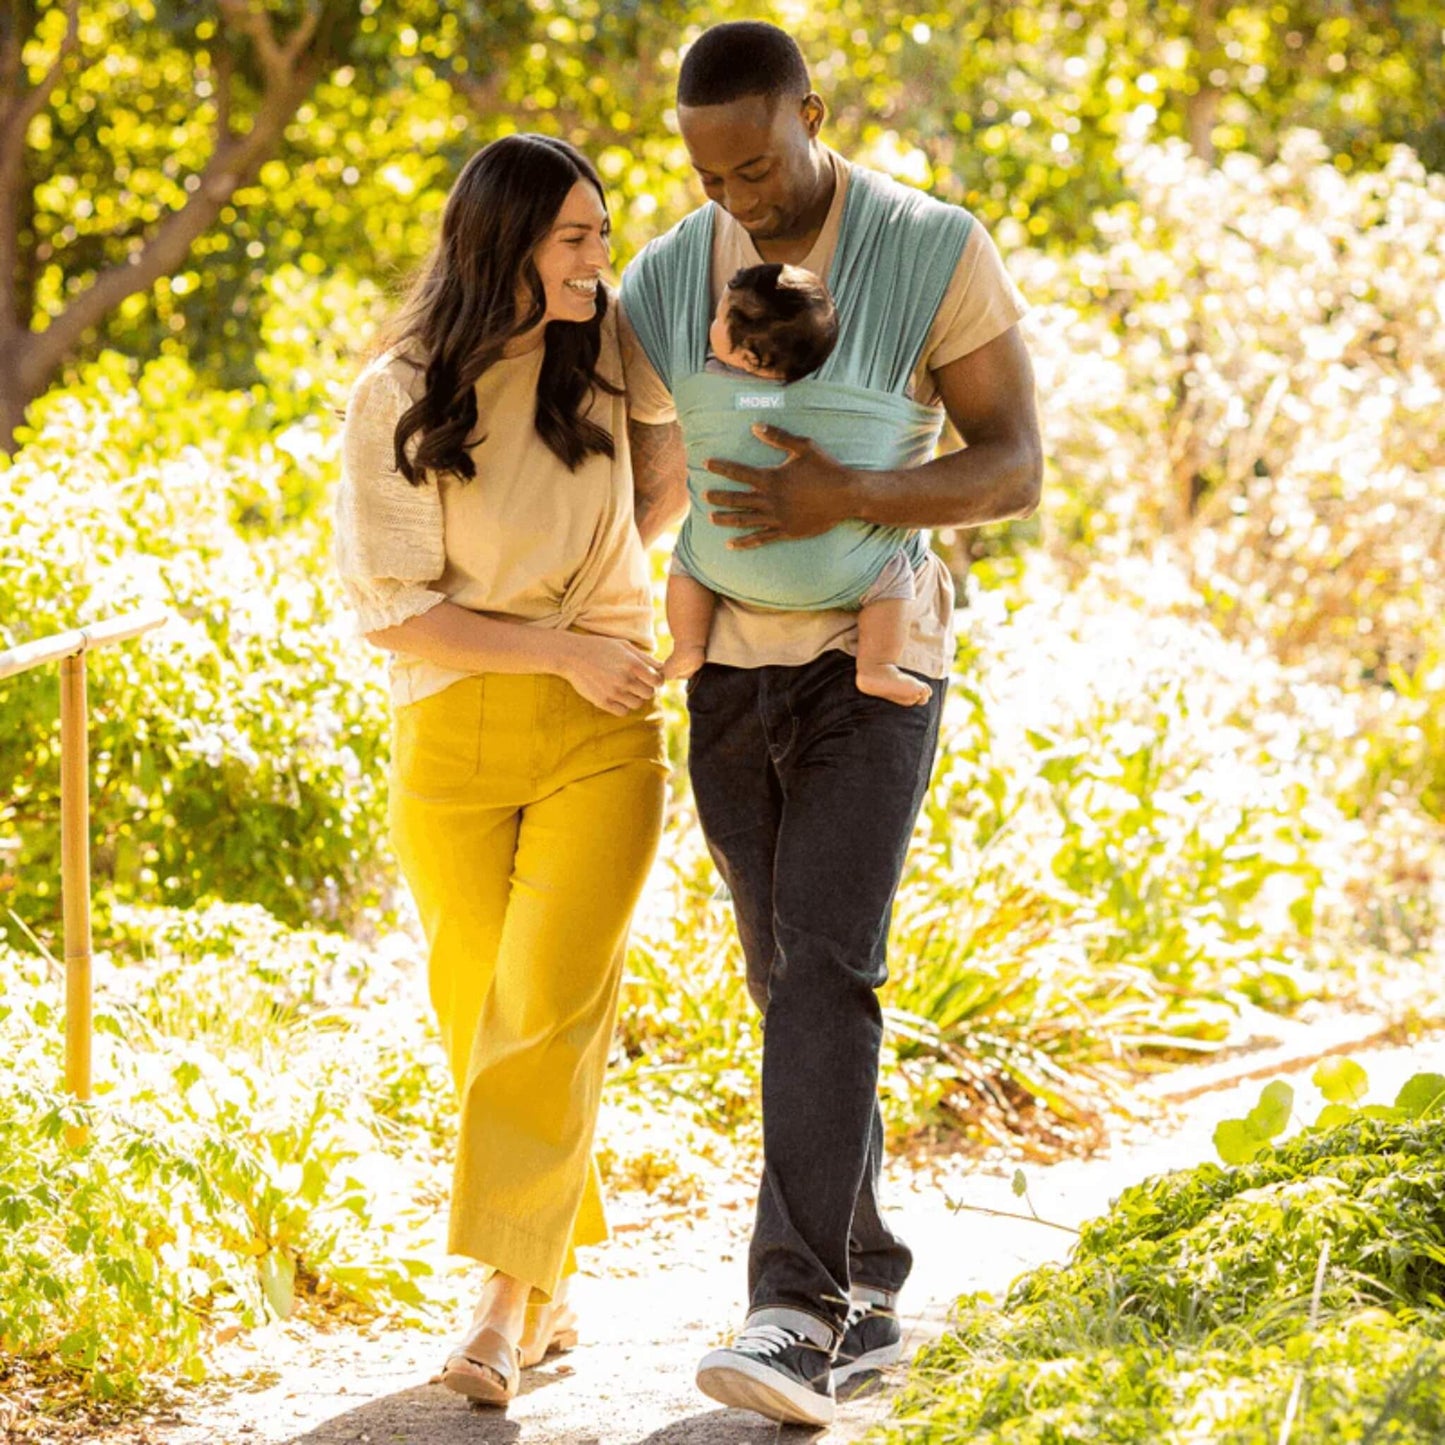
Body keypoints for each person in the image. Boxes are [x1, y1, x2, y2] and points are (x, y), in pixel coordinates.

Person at [620, 21, 1043, 1429]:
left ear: (812, 112)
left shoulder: (934, 246)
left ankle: (790, 1311)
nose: (731, 196)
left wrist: (843, 496)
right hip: (727, 678)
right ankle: (869, 1280)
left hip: (874, 666)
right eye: (706, 173)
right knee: (784, 969)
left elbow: (1011, 465)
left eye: (753, 164)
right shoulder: (676, 269)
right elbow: (619, 450)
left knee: (822, 964)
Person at [334, 133, 666, 1407]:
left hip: (602, 736)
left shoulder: (612, 345)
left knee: (546, 1005)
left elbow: (673, 458)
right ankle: (554, 1276)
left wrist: (606, 602)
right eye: (576, 236)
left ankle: (499, 1303)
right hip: (453, 732)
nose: (598, 256)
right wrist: (555, 645)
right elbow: (393, 609)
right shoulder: (401, 393)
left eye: (599, 230)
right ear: (505, 245)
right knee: (485, 1017)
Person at [664, 262, 933, 707]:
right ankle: (877, 666)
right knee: (895, 575)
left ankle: (688, 645)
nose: (711, 321)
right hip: (846, 574)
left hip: (721, 562)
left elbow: (743, 399)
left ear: (747, 356)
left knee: (684, 563)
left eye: (718, 316)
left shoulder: (707, 384)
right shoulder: (831, 392)